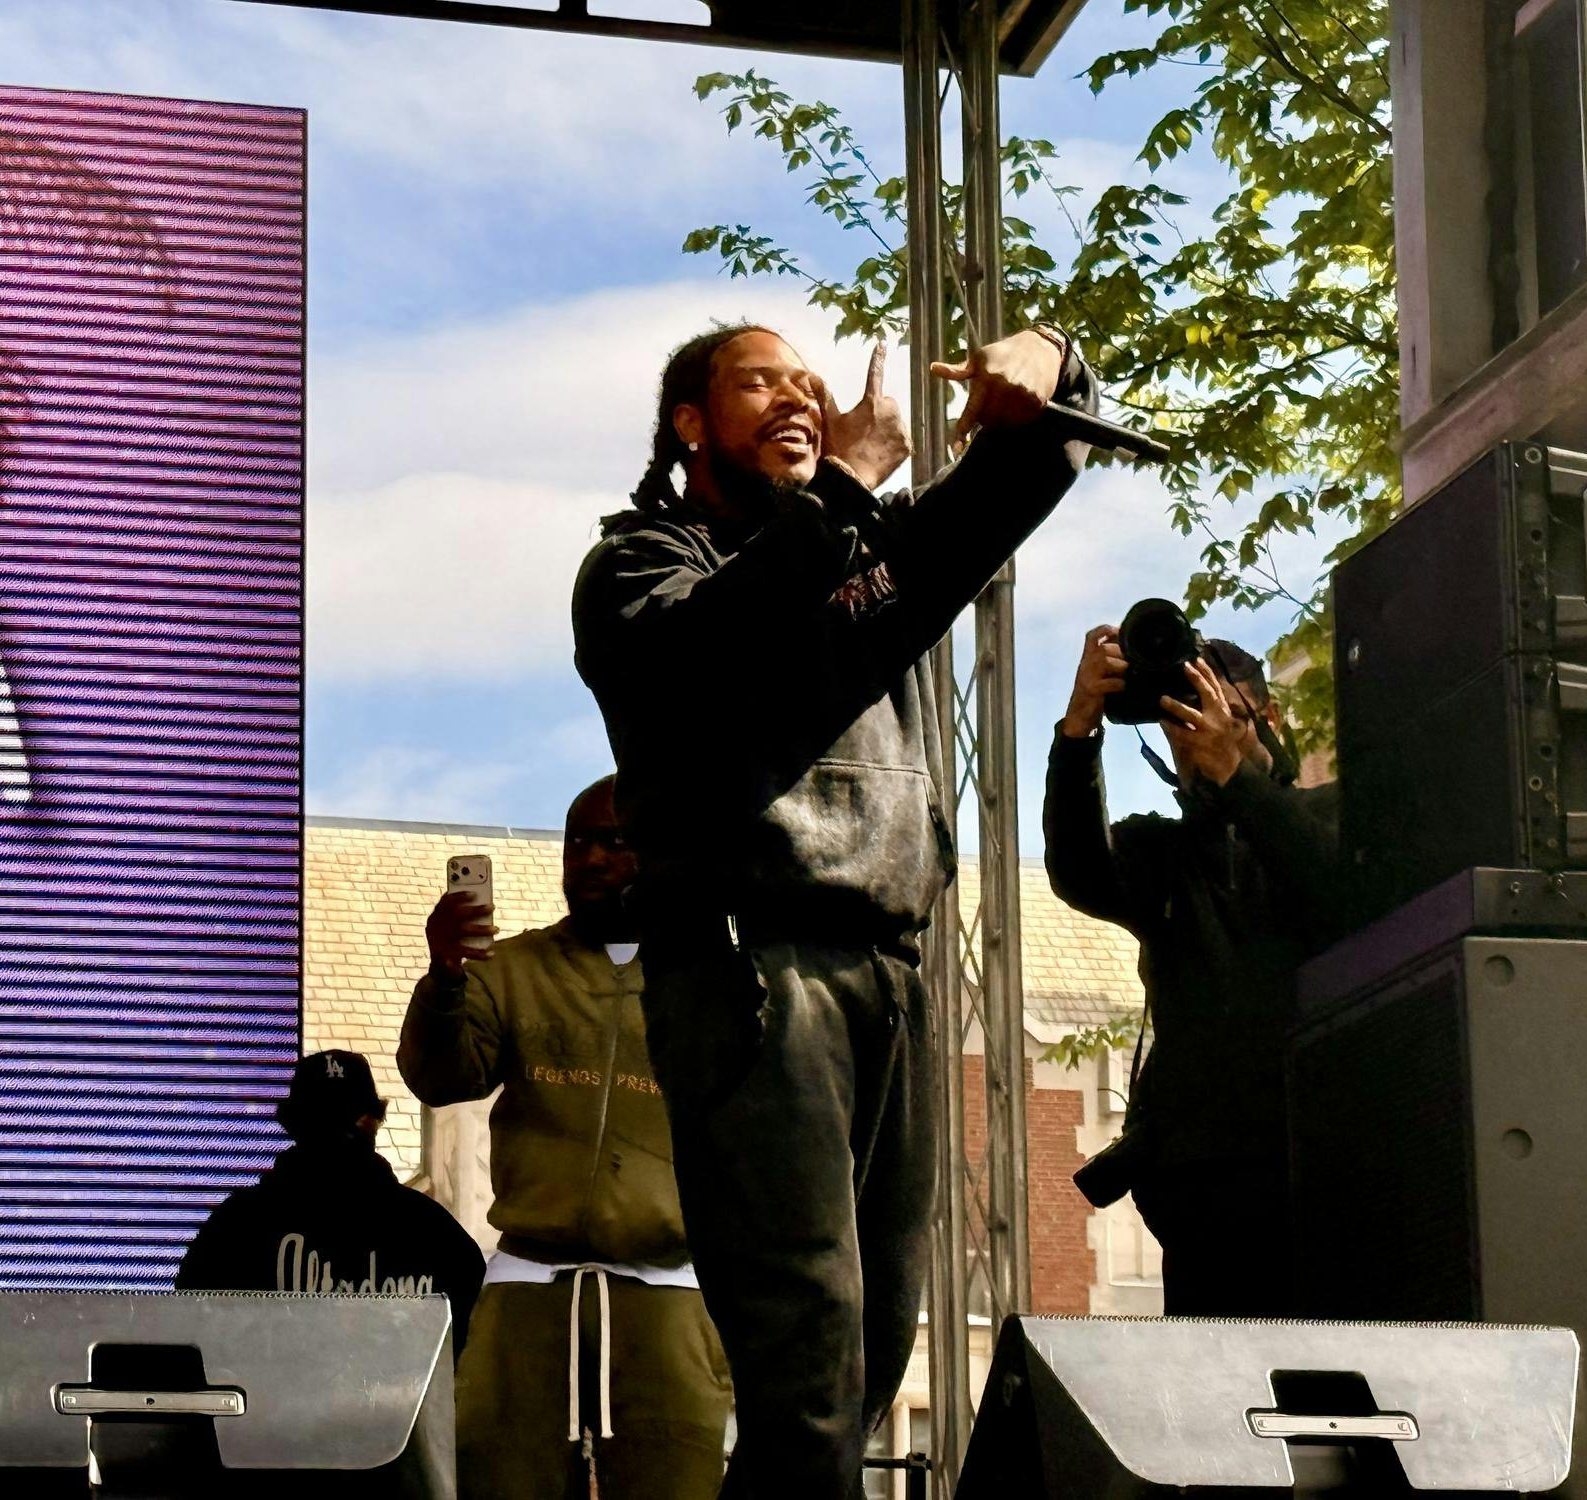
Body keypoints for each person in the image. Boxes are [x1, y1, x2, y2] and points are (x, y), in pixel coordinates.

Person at [571, 320, 1095, 1498]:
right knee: (804, 1352)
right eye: (760, 382)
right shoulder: (639, 568)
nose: (799, 397)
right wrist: (853, 482)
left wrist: (1051, 362)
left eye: (810, 382)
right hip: (752, 965)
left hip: (891, 971)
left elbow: (1019, 480)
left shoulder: (863, 554)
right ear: (690, 424)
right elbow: (713, 655)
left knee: (867, 1362)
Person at [398, 776, 729, 1500]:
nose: (590, 858)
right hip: (528, 1285)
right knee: (496, 1476)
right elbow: (441, 1077)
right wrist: (446, 975)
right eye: (577, 842)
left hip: (668, 1290)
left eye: (614, 841)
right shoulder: (511, 968)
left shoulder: (714, 980)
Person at [1044, 628, 1339, 1317]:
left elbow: (1333, 891)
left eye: (1212, 719)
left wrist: (1240, 780)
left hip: (1322, 1169)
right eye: (1177, 728)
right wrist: (1080, 728)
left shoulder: (1327, 817)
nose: (1193, 743)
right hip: (1205, 1181)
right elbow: (1079, 871)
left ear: (1266, 718)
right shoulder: (1165, 852)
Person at [176, 1048, 485, 1351]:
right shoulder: (432, 1232)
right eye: (328, 1121)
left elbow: (188, 1335)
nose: (338, 1133)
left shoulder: (236, 1228)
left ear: (293, 1124)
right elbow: (475, 1349)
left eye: (342, 1120)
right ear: (373, 1121)